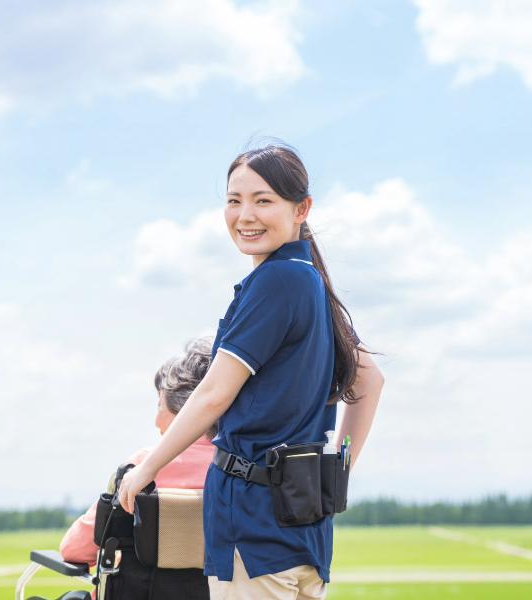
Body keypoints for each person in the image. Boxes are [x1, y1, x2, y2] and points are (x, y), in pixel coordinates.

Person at [119, 141, 385, 600]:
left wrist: (147, 469)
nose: (245, 215)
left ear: (302, 208)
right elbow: (370, 380)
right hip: (305, 532)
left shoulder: (277, 281)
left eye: (263, 201)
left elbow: (214, 394)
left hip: (253, 528)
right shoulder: (310, 281)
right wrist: (337, 470)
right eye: (234, 201)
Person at [60, 336, 217, 566]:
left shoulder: (142, 468)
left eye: (159, 406)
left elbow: (75, 550)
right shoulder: (243, 469)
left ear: (183, 411)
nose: (156, 421)